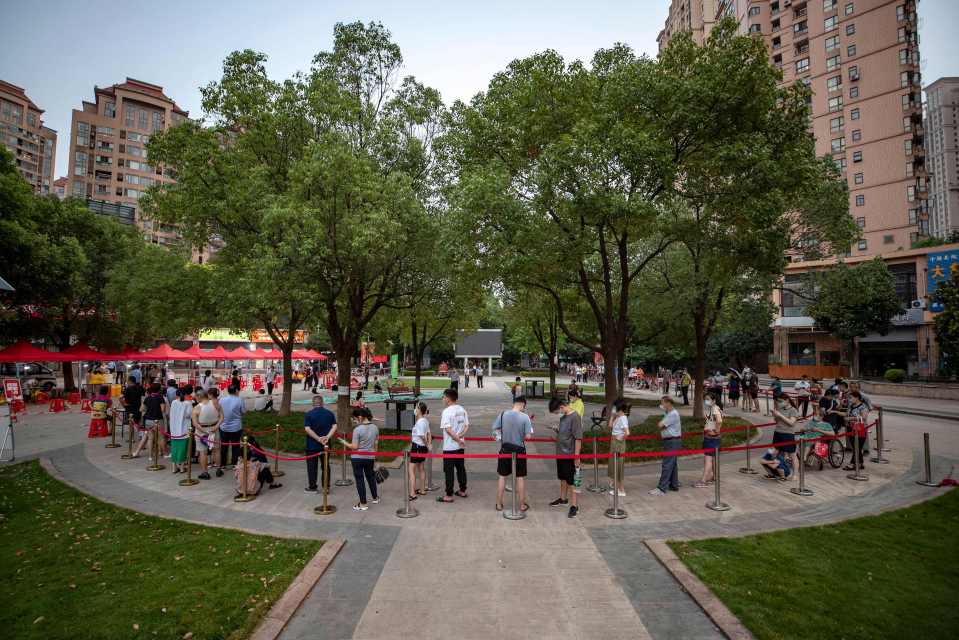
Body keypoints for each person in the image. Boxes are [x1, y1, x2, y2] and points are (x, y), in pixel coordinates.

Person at [493, 396, 534, 512]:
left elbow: (495, 429)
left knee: (502, 477)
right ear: (523, 405)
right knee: (520, 478)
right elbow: (528, 436)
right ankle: (521, 505)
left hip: (505, 449)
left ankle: (499, 503)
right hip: (519, 450)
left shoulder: (503, 414)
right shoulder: (525, 417)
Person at [338, 407, 379, 511]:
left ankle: (363, 503)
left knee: (360, 479)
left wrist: (344, 442)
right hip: (370, 456)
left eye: (355, 419)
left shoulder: (357, 430)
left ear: (360, 417)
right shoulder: (375, 428)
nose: (355, 421)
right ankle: (375, 497)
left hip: (357, 458)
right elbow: (376, 444)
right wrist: (375, 456)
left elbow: (355, 446)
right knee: (370, 477)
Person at [548, 396, 583, 517]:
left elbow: (578, 438)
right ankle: (563, 499)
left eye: (557, 411)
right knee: (562, 478)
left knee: (572, 481)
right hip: (561, 454)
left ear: (561, 407)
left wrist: (576, 457)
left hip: (570, 455)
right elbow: (566, 433)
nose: (558, 414)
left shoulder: (575, 417)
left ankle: (574, 506)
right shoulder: (563, 417)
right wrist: (558, 431)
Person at [437, 388, 469, 503]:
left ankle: (449, 495)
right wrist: (460, 437)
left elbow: (448, 430)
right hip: (460, 447)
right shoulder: (462, 410)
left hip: (450, 447)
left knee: (449, 471)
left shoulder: (447, 412)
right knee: (461, 468)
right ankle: (462, 490)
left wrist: (457, 439)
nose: (443, 399)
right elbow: (466, 426)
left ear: (448, 398)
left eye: (444, 397)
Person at [649, 395, 682, 496]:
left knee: (667, 464)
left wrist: (662, 425)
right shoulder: (669, 413)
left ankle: (662, 488)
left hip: (672, 441)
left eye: (662, 402)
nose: (661, 404)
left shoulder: (672, 414)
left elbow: (660, 425)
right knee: (672, 464)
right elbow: (662, 425)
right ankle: (674, 484)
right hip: (671, 441)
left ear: (668, 403)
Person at [303, 395, 336, 493]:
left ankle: (312, 487)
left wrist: (318, 439)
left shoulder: (309, 414)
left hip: (312, 445)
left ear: (313, 403)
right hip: (325, 445)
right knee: (326, 466)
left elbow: (307, 429)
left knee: (312, 467)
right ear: (322, 403)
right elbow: (334, 426)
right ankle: (326, 487)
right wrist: (327, 437)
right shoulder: (329, 413)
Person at [694, 392, 723, 488]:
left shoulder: (715, 409)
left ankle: (703, 480)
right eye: (705, 399)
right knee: (713, 459)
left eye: (708, 399)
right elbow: (711, 420)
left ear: (713, 400)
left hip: (711, 439)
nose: (706, 401)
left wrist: (716, 431)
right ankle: (714, 477)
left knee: (708, 460)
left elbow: (719, 421)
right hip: (712, 438)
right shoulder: (714, 408)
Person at [133, 383, 166, 461]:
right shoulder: (160, 397)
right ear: (159, 389)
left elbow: (141, 409)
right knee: (161, 437)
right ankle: (165, 454)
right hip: (158, 420)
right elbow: (163, 409)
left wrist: (149, 409)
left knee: (149, 438)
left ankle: (150, 456)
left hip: (148, 420)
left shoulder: (147, 398)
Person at [191, 390, 220, 480]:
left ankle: (205, 472)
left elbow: (195, 424)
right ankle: (218, 469)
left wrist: (204, 431)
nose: (195, 398)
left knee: (203, 452)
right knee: (216, 450)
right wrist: (216, 426)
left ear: (199, 397)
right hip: (214, 428)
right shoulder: (215, 403)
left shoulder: (196, 408)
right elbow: (222, 416)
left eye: (196, 397)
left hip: (201, 431)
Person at [607, 399, 630, 497]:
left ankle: (621, 489)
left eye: (615, 407)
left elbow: (627, 432)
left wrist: (620, 438)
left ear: (619, 408)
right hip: (614, 442)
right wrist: (612, 416)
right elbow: (610, 426)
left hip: (618, 444)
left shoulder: (623, 418)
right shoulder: (618, 417)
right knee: (614, 464)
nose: (613, 408)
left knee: (619, 466)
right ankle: (615, 484)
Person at [409, 401, 432, 499]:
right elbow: (429, 433)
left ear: (419, 410)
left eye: (416, 408)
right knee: (421, 468)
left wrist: (427, 444)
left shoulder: (419, 422)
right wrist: (428, 445)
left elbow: (422, 436)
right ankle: (422, 490)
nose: (415, 409)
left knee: (411, 469)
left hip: (417, 447)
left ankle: (412, 493)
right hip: (422, 448)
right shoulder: (425, 421)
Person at [168, 385, 194, 473]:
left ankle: (174, 467)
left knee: (174, 448)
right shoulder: (188, 403)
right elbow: (189, 415)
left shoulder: (173, 402)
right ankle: (182, 467)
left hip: (174, 429)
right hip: (184, 429)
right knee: (183, 449)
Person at [218, 385, 245, 469]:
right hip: (236, 427)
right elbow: (243, 411)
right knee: (235, 446)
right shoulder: (240, 400)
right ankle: (234, 463)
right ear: (236, 390)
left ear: (228, 391)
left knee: (223, 446)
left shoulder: (222, 399)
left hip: (223, 426)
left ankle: (223, 464)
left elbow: (219, 411)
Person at [771, 394, 801, 468]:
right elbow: (777, 422)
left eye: (780, 401)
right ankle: (775, 472)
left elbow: (791, 422)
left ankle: (795, 475)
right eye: (778, 401)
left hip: (787, 434)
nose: (779, 403)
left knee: (792, 455)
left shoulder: (793, 410)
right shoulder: (780, 409)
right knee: (773, 453)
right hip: (778, 432)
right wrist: (775, 415)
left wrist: (780, 415)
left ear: (787, 400)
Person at [844, 391, 870, 471]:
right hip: (850, 428)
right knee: (856, 447)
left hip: (860, 428)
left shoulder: (863, 406)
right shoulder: (851, 406)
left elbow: (864, 417)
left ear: (857, 397)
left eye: (851, 398)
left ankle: (853, 463)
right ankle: (860, 463)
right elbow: (847, 414)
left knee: (857, 447)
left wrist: (851, 418)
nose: (850, 400)